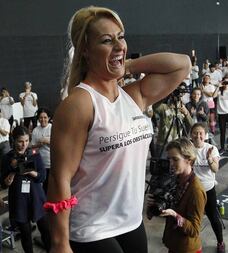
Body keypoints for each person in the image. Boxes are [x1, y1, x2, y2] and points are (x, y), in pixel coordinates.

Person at [47, 6, 191, 253]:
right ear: (85, 50)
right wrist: (60, 244)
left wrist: (127, 64)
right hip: (92, 228)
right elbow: (60, 178)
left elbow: (182, 64)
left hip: (130, 221)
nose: (118, 45)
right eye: (106, 40)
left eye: (120, 36)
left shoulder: (134, 96)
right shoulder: (80, 103)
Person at [148, 138, 207, 253]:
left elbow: (194, 230)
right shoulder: (176, 179)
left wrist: (175, 215)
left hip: (187, 249)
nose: (171, 164)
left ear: (188, 160)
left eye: (175, 159)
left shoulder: (196, 190)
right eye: (169, 159)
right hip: (174, 244)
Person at [1, 126, 50, 253]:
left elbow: (42, 177)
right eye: (20, 141)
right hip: (18, 201)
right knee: (25, 234)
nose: (24, 144)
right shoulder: (7, 158)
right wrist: (8, 179)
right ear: (14, 140)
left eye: (27, 141)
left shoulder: (35, 154)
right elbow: (3, 182)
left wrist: (31, 172)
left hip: (36, 198)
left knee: (46, 230)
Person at [190, 123, 225, 253]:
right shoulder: (188, 148)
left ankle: (220, 242)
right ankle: (192, 243)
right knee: (192, 218)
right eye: (195, 133)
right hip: (192, 189)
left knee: (213, 217)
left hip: (208, 189)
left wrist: (209, 159)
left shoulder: (211, 148)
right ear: (191, 134)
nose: (198, 136)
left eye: (201, 133)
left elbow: (215, 168)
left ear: (205, 135)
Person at [30, 108, 52, 194]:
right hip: (40, 162)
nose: (43, 120)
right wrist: (39, 144)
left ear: (49, 118)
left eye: (45, 117)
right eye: (41, 117)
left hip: (51, 162)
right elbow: (33, 147)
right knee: (40, 185)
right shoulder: (36, 130)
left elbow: (58, 144)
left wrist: (47, 141)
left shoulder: (52, 128)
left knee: (49, 186)